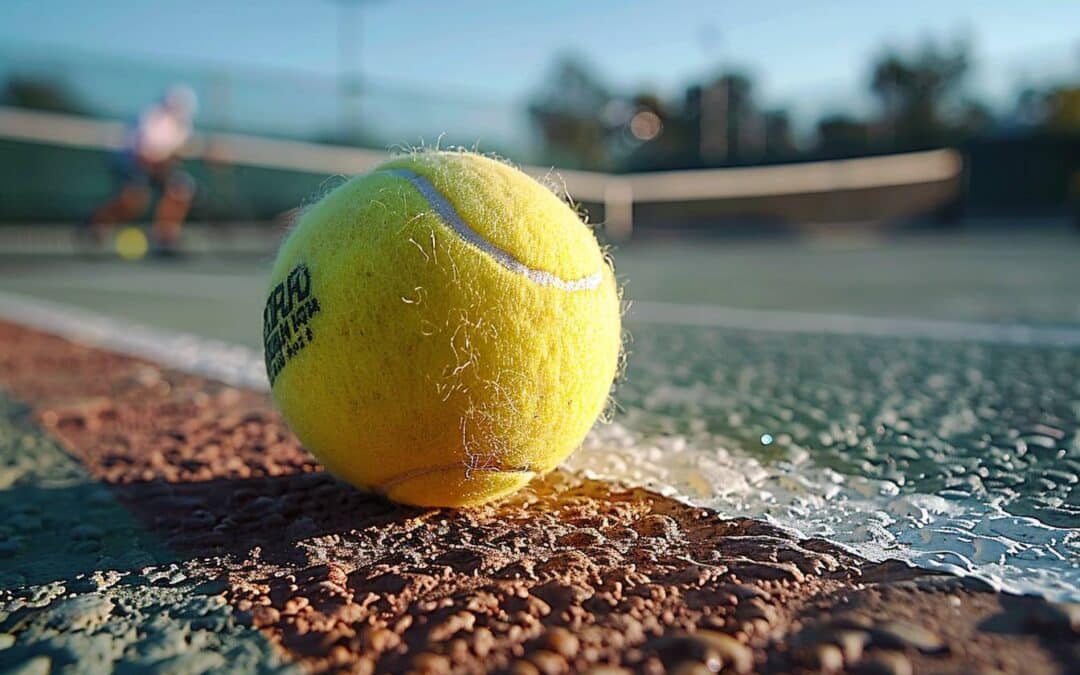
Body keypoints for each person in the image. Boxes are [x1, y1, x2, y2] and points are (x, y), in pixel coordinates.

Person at [85, 85, 198, 253]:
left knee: (181, 190)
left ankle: (166, 237)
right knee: (135, 203)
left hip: (157, 168)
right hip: (129, 164)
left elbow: (175, 156)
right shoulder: (151, 118)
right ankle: (96, 224)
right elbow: (143, 156)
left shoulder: (184, 126)